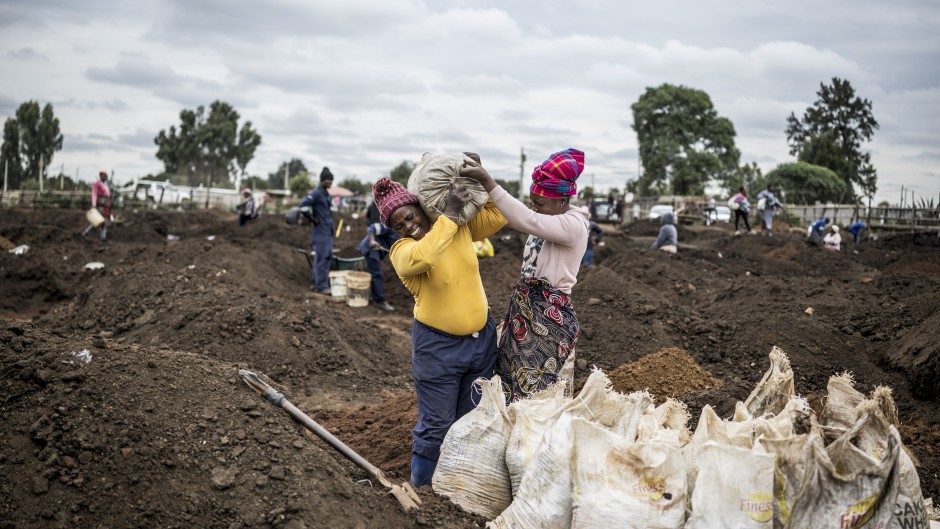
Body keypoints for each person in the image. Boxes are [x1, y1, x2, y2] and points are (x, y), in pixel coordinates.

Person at [372, 167, 507, 488]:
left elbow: (497, 217)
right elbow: (425, 258)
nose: (407, 225)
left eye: (409, 216)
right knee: (437, 423)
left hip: (481, 344)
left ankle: (460, 487)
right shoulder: (402, 250)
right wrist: (448, 214)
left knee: (471, 418)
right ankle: (422, 490)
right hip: (438, 350)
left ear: (421, 208)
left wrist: (483, 179)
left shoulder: (456, 228)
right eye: (397, 224)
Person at [460, 148, 590, 403]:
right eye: (532, 202)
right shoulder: (546, 217)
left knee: (535, 396)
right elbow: (516, 215)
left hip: (548, 320)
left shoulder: (574, 225)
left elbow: (525, 219)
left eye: (540, 203)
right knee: (509, 383)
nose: (534, 208)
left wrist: (488, 181)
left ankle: (533, 442)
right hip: (525, 312)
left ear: (562, 201)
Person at [299, 167, 335, 293]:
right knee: (323, 259)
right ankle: (321, 286)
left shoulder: (325, 193)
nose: (330, 182)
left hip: (327, 231)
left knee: (321, 258)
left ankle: (315, 283)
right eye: (327, 180)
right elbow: (302, 206)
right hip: (321, 232)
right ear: (322, 180)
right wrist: (312, 219)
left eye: (331, 180)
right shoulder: (316, 193)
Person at [357, 220, 399, 312]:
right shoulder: (391, 227)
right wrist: (372, 241)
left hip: (377, 251)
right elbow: (372, 228)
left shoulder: (404, 236)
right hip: (371, 248)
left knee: (374, 273)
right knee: (376, 274)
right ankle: (380, 301)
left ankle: (373, 295)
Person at [82, 171, 111, 241]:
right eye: (104, 176)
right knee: (99, 221)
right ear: (101, 176)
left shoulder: (105, 185)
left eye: (106, 176)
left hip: (106, 206)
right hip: (100, 205)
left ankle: (102, 238)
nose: (106, 177)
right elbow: (94, 194)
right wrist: (94, 205)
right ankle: (86, 233)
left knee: (104, 221)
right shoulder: (97, 184)